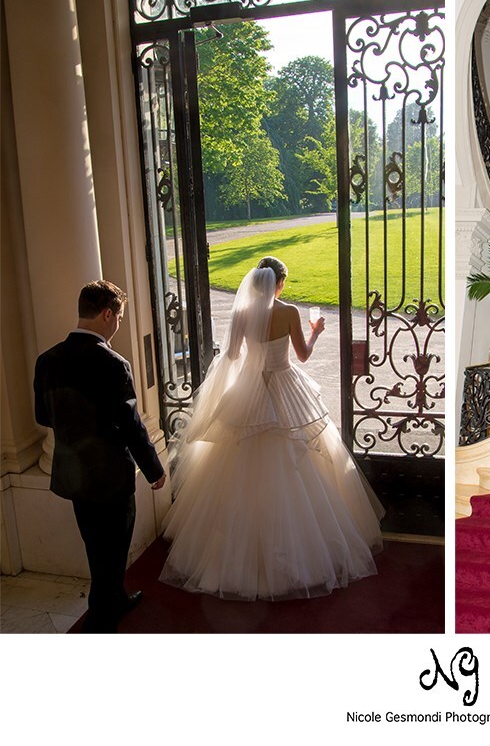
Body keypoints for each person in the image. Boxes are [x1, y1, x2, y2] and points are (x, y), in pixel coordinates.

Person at [159, 256, 384, 600]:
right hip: (285, 388)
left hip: (251, 394)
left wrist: (246, 372)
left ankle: (236, 558)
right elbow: (303, 356)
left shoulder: (241, 314)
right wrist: (316, 331)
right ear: (278, 283)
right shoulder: (290, 312)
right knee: (303, 461)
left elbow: (231, 356)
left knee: (236, 470)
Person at [33, 280, 166, 633]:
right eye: (118, 317)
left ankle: (108, 600)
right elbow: (130, 424)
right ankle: (106, 612)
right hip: (109, 474)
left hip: (74, 473)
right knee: (116, 544)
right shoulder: (112, 363)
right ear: (108, 314)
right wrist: (154, 469)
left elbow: (42, 417)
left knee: (95, 543)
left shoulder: (47, 360)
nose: (117, 325)